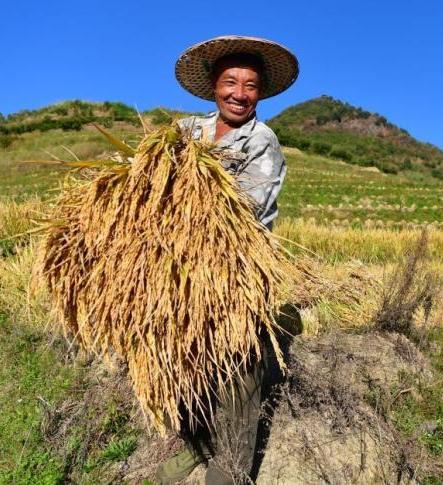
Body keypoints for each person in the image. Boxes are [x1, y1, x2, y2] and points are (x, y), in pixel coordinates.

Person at [154, 35, 299, 485]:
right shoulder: (186, 130)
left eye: (251, 85)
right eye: (230, 81)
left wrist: (178, 202)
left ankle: (230, 468)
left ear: (260, 93)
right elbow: (151, 176)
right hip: (181, 269)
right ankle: (196, 443)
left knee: (238, 367)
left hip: (237, 270)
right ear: (214, 86)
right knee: (190, 357)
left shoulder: (262, 142)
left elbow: (243, 210)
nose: (239, 93)